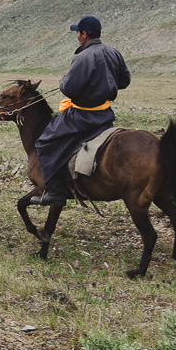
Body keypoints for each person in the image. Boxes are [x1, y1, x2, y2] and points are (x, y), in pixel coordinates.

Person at [31, 15, 131, 206]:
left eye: (78, 33)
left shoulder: (84, 57)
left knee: (45, 142)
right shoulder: (113, 52)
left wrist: (63, 80)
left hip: (82, 116)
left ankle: (55, 191)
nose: (77, 36)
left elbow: (69, 89)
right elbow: (124, 81)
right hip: (105, 114)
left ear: (84, 34)